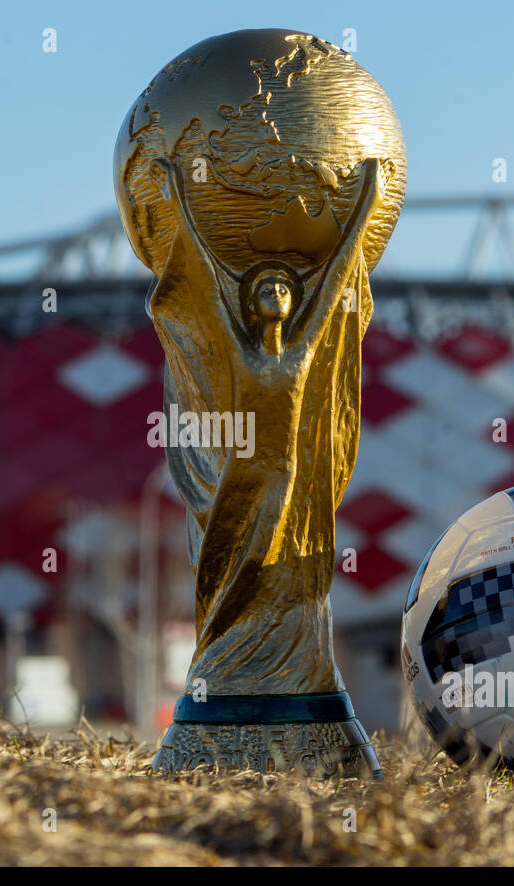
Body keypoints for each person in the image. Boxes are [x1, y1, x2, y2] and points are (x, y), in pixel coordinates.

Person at [145, 155, 386, 695]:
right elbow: (206, 282)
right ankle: (230, 681)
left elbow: (335, 280)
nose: (277, 294)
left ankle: (296, 685)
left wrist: (366, 203)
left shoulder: (304, 350)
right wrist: (178, 197)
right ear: (249, 305)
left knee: (294, 590)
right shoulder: (237, 351)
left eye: (284, 289)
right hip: (241, 482)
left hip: (298, 489)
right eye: (265, 290)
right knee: (234, 581)